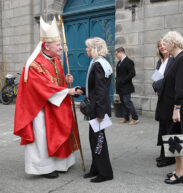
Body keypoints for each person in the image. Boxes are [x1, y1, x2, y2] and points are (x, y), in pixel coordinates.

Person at [13, 17, 82, 179]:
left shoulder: (56, 60)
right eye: (58, 45)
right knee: (42, 138)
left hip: (55, 104)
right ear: (46, 45)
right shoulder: (34, 65)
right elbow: (43, 87)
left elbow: (56, 81)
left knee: (60, 132)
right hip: (39, 108)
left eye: (60, 44)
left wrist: (66, 80)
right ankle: (43, 168)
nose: (61, 47)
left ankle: (60, 163)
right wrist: (68, 91)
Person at [155, 31, 183, 184]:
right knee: (174, 140)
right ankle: (180, 168)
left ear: (173, 43)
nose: (163, 46)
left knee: (177, 141)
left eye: (166, 43)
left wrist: (177, 108)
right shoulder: (176, 58)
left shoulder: (182, 59)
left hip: (179, 109)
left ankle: (180, 173)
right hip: (173, 108)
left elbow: (181, 87)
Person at [80, 37, 114, 183]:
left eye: (88, 47)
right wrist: (82, 90)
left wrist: (100, 113)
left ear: (94, 48)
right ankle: (96, 167)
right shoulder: (99, 62)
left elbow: (101, 91)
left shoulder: (99, 64)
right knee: (94, 140)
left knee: (99, 140)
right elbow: (95, 88)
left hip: (98, 110)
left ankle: (105, 172)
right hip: (97, 108)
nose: (86, 50)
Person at [152, 40, 176, 168]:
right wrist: (156, 84)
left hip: (170, 99)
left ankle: (170, 156)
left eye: (164, 45)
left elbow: (166, 80)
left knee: (169, 127)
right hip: (161, 98)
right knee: (163, 127)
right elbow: (155, 80)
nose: (162, 47)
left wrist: (157, 83)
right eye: (159, 45)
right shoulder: (159, 62)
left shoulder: (173, 60)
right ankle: (163, 152)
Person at [115, 47, 139, 125]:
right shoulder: (119, 62)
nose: (116, 56)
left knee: (127, 102)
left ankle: (135, 118)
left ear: (121, 52)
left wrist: (123, 80)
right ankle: (126, 117)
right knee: (123, 102)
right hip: (120, 86)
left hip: (126, 86)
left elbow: (132, 73)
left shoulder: (129, 61)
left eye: (117, 54)